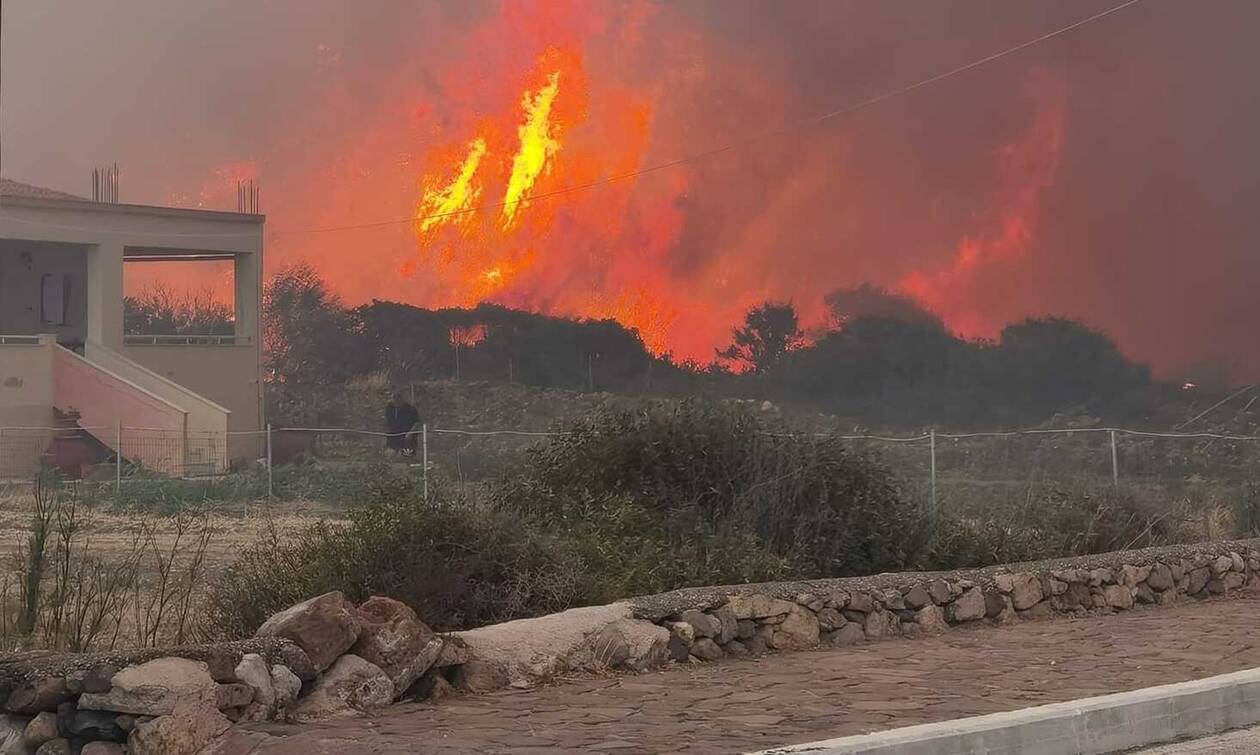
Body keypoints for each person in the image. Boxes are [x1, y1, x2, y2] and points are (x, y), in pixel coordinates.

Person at [384, 391, 420, 457]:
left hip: (407, 438)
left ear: (401, 399)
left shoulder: (411, 410)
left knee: (405, 456)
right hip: (393, 437)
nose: (395, 401)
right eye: (393, 399)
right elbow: (387, 421)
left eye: (397, 399)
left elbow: (416, 423)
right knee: (390, 455)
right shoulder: (389, 408)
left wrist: (410, 433)